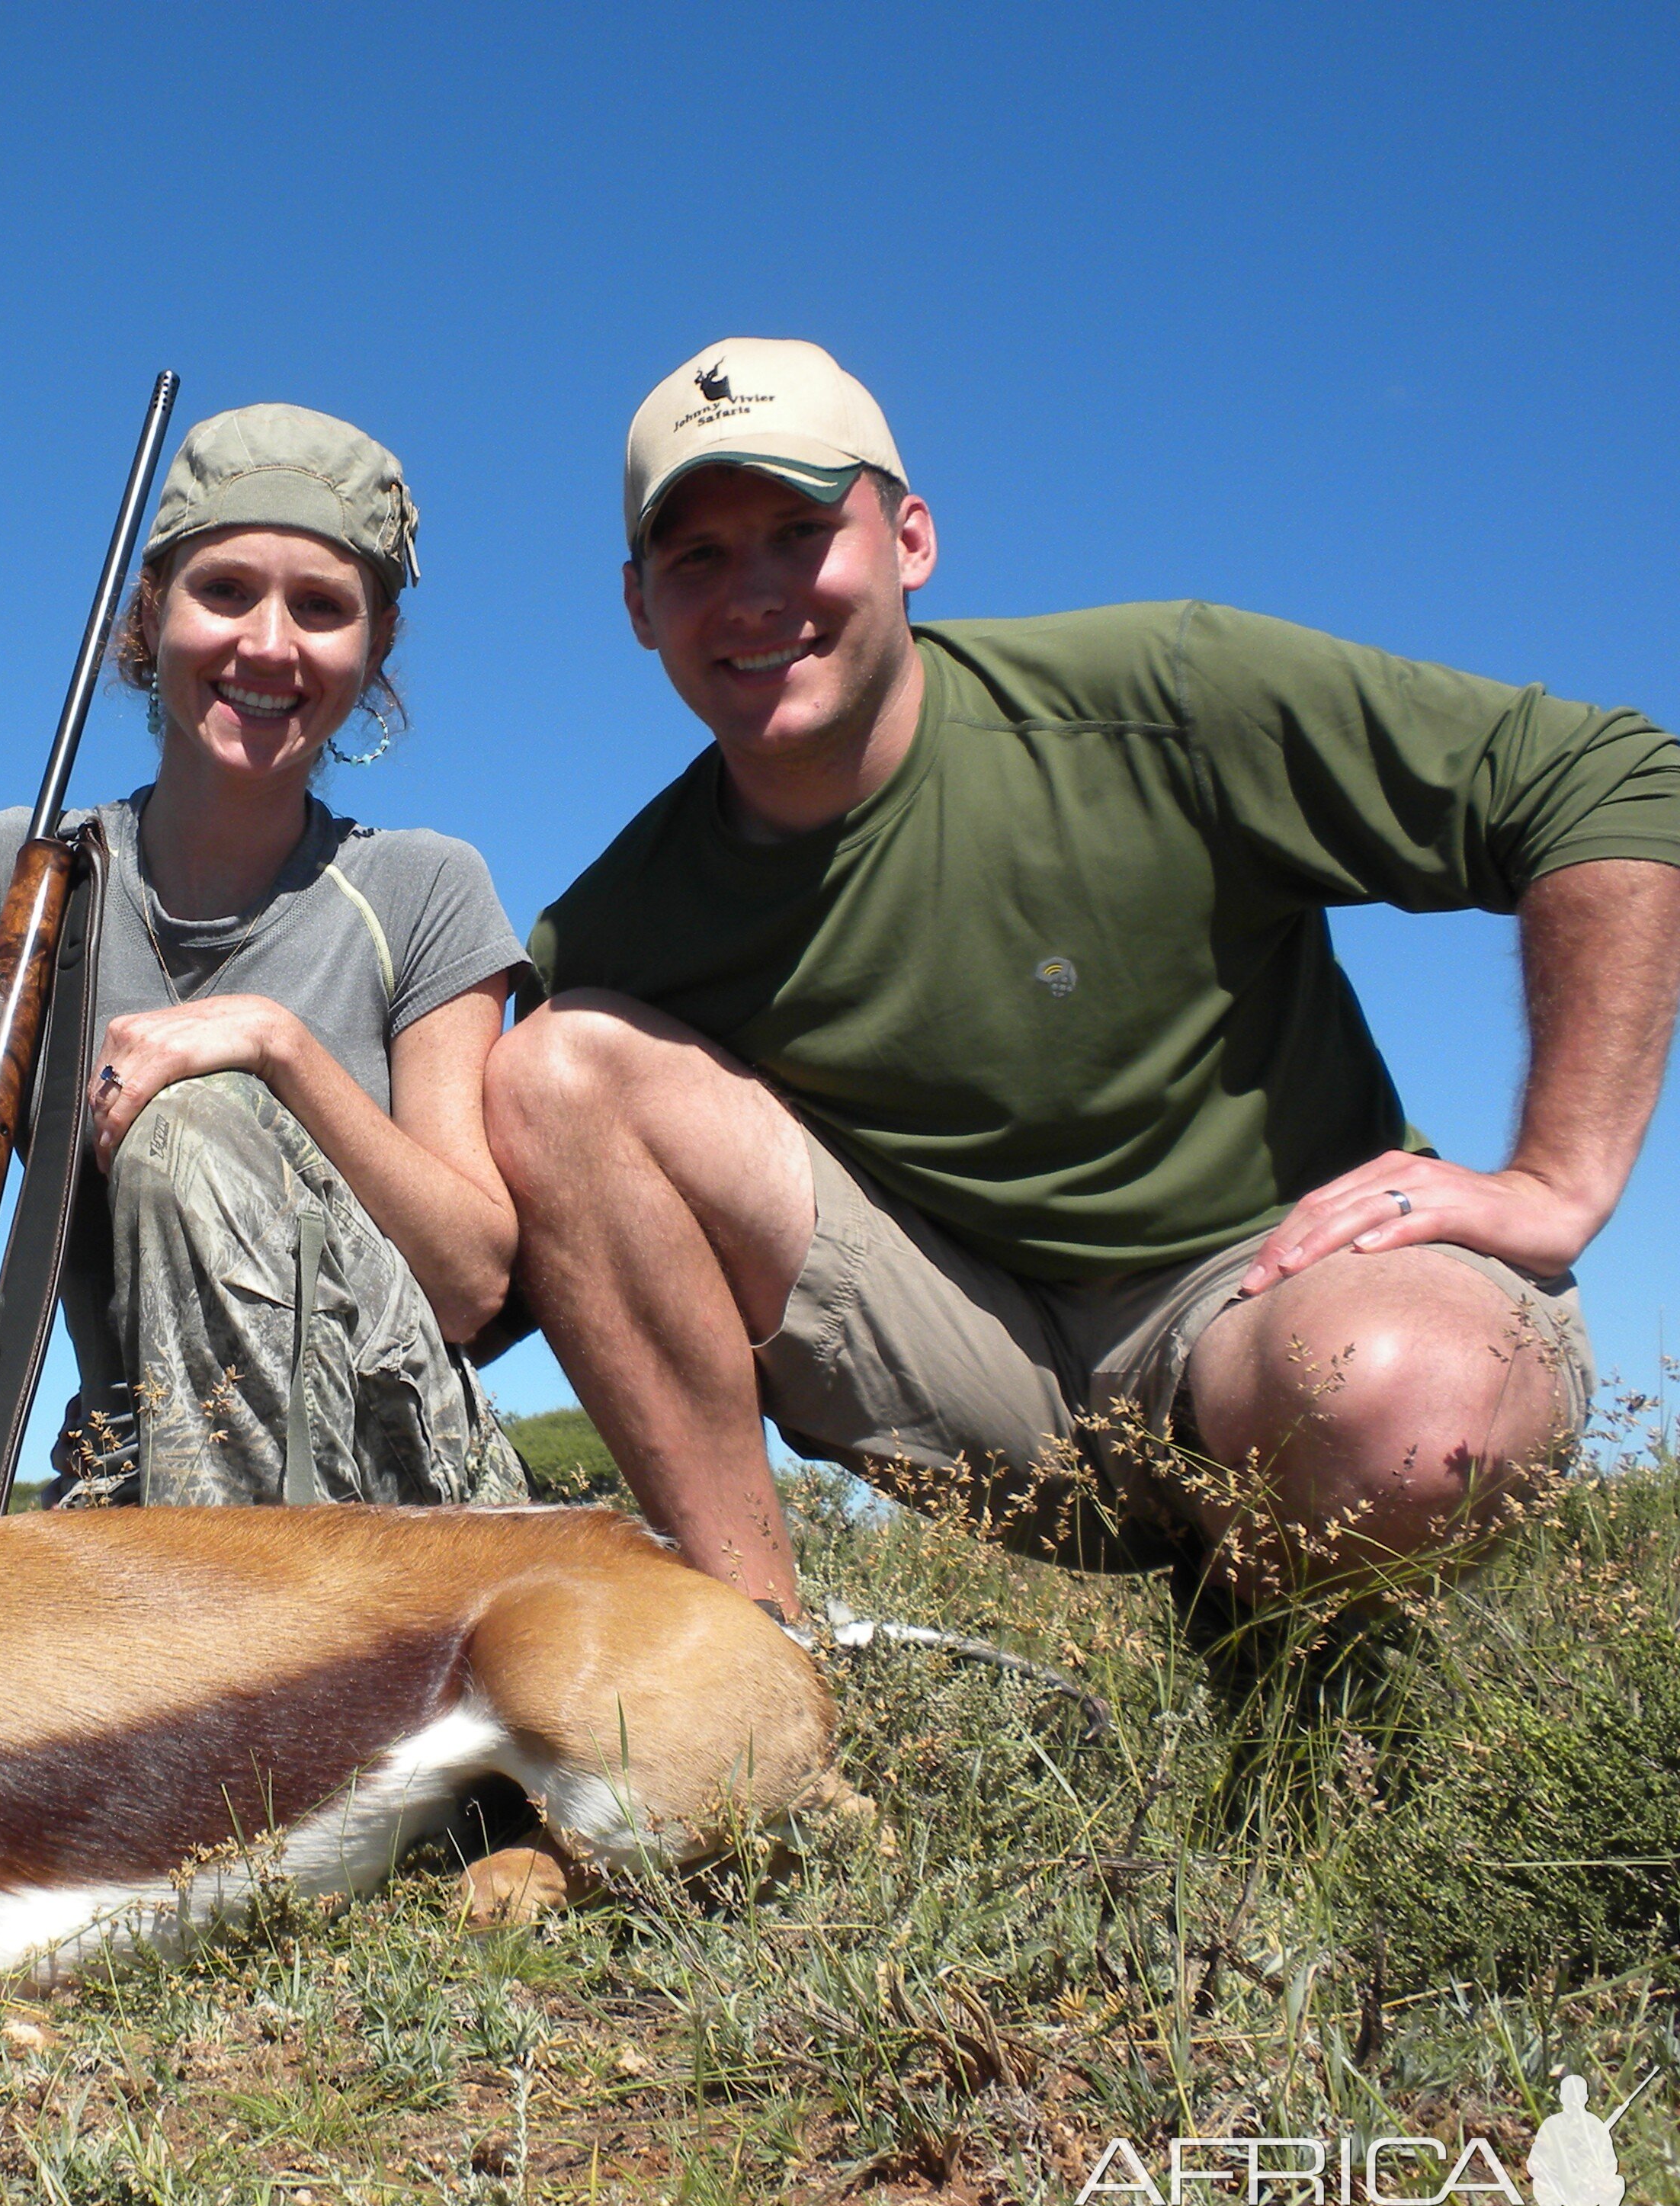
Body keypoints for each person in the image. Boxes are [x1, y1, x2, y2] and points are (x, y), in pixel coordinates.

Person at [486, 338, 1680, 1623]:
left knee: (1406, 1401)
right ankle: (750, 1674)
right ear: (637, 606)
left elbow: (1609, 780)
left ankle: (1294, 1660)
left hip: (1275, 1297)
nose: (755, 593)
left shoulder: (1160, 695)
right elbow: (491, 1269)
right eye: (698, 556)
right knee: (552, 1070)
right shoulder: (620, 923)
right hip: (982, 1380)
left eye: (799, 530)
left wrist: (1558, 1179)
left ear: (912, 540)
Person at [0, 403, 532, 1512]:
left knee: (190, 1123)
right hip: (135, 1471)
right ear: (150, 612)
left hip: (400, 1495)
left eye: (323, 608)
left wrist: (277, 1048)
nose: (269, 644)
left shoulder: (426, 887)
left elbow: (472, 1282)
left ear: (376, 644)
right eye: (225, 591)